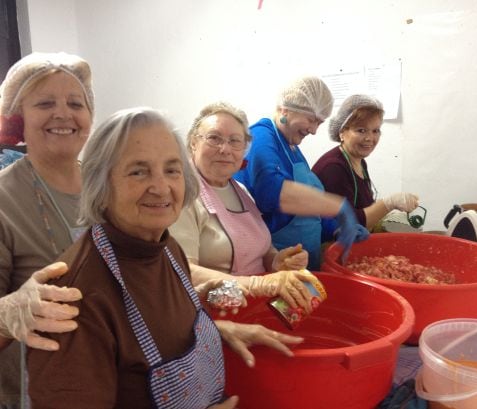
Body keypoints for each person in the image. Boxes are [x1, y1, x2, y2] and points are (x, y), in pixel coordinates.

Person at [27, 107, 234, 408]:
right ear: (101, 183)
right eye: (139, 171)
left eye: (172, 169)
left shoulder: (167, 248)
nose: (161, 187)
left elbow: (168, 333)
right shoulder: (73, 296)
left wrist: (228, 332)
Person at [0, 52, 93, 408]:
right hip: (39, 393)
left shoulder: (108, 186)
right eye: (44, 103)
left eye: (75, 102)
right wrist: (8, 315)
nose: (63, 113)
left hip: (112, 379)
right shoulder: (5, 200)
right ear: (18, 119)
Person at [170, 102, 315, 313]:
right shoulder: (183, 195)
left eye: (235, 141)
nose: (225, 149)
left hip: (255, 306)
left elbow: (262, 250)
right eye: (214, 138)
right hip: (217, 312)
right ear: (193, 143)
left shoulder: (241, 190)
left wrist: (277, 261)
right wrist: (257, 285)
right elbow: (182, 272)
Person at [234, 76, 369, 269]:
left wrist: (335, 228)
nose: (314, 130)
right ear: (285, 109)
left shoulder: (291, 146)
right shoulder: (261, 138)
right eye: (311, 120)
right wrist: (338, 206)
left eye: (319, 123)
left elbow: (307, 208)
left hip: (305, 261)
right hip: (276, 264)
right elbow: (271, 192)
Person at [312, 94, 419, 230]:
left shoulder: (358, 161)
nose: (369, 138)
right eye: (361, 130)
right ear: (342, 132)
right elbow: (348, 225)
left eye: (375, 131)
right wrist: (388, 204)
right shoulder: (333, 169)